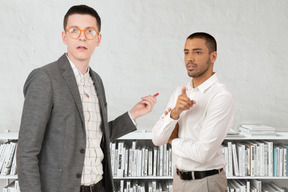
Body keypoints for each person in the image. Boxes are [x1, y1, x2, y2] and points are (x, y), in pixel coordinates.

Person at [17, 5, 157, 192]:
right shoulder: (45, 78)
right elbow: (26, 153)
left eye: (89, 31)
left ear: (98, 39)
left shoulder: (96, 80)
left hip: (99, 186)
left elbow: (92, 136)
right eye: (74, 30)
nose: (82, 37)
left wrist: (133, 114)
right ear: (64, 37)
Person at [152, 32, 234, 192]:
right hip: (178, 180)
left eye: (197, 52)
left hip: (206, 182)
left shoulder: (221, 96)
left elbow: (203, 153)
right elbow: (156, 138)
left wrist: (173, 140)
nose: (189, 58)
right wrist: (174, 114)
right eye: (186, 52)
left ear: (213, 57)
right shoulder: (179, 92)